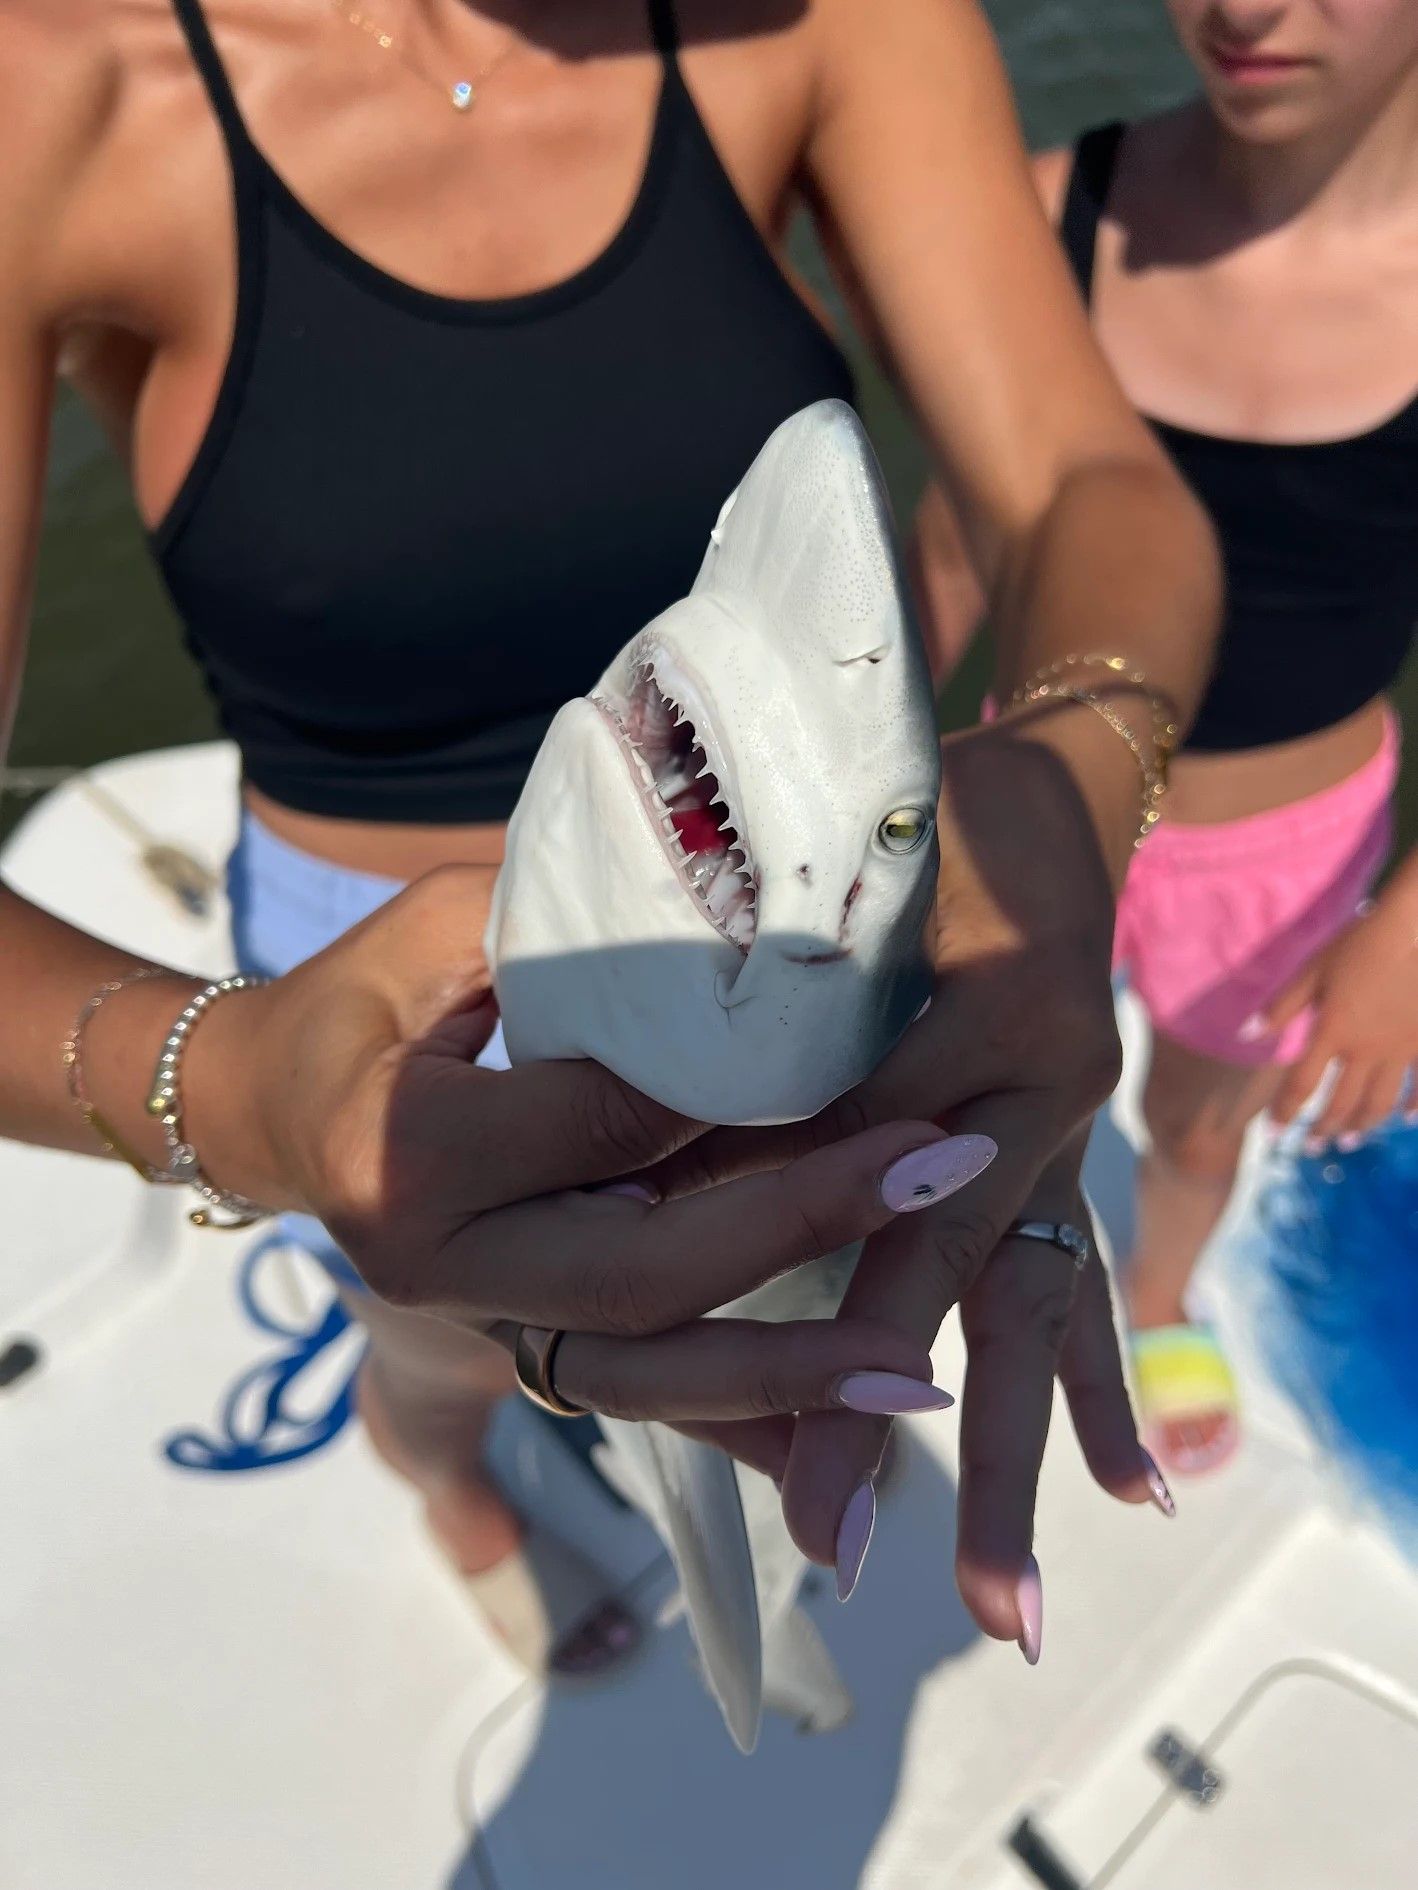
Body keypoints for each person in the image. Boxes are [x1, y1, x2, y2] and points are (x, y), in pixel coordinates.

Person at [0, 0, 1219, 1679]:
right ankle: (439, 1473)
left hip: (811, 954)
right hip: (372, 1016)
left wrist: (1070, 789)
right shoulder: (51, 90)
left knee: (782, 1370)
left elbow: (1091, 481)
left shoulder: (819, 17)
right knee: (438, 1364)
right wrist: (240, 1086)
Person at [913, 0, 1418, 1480]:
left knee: (1197, 1129)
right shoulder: (1044, 200)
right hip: (1032, 791)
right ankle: (1005, 1249)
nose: (1249, 10)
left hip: (1287, 853)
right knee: (997, 1081)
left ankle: (1154, 1287)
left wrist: (1404, 930)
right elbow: (950, 553)